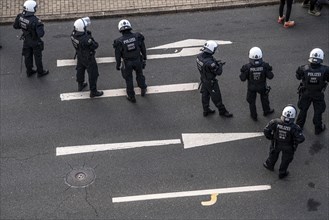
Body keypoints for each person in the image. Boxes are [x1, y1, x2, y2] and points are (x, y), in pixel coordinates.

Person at [263, 105, 305, 179]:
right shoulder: (294, 127)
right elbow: (301, 139)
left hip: (276, 143)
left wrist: (271, 137)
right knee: (286, 160)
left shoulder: (275, 122)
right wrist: (294, 143)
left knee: (273, 154)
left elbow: (266, 130)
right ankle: (282, 173)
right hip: (288, 146)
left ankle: (270, 165)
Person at [296, 48, 329, 135]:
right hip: (318, 94)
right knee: (318, 112)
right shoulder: (326, 70)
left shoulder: (303, 68)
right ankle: (318, 129)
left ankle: (298, 127)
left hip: (305, 93)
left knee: (303, 110)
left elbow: (298, 77)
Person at [113, 19, 147, 103]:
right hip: (138, 60)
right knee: (140, 74)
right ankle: (143, 88)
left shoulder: (119, 41)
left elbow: (117, 55)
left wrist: (117, 65)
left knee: (129, 79)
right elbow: (143, 48)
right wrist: (144, 57)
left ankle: (131, 96)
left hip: (127, 62)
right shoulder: (137, 36)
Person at [196, 40, 233, 117]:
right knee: (216, 97)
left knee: (205, 95)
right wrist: (220, 65)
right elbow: (218, 72)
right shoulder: (210, 63)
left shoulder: (199, 56)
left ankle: (206, 110)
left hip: (203, 79)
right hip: (211, 82)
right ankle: (222, 111)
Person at [13, 0, 49, 77]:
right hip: (35, 41)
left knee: (27, 56)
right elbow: (41, 34)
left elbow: (15, 26)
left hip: (26, 40)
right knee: (37, 57)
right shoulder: (36, 21)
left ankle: (29, 71)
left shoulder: (20, 16)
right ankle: (40, 72)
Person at [71, 17, 103, 98]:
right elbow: (95, 45)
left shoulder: (73, 34)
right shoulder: (86, 39)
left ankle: (80, 84)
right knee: (93, 73)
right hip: (88, 57)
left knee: (80, 69)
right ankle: (93, 91)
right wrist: (90, 37)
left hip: (79, 55)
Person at [240, 47, 274, 121]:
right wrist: (268, 69)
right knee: (264, 99)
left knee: (251, 102)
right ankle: (266, 111)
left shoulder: (247, 67)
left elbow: (242, 79)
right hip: (262, 86)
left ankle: (254, 116)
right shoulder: (264, 65)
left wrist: (243, 72)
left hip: (251, 87)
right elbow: (271, 76)